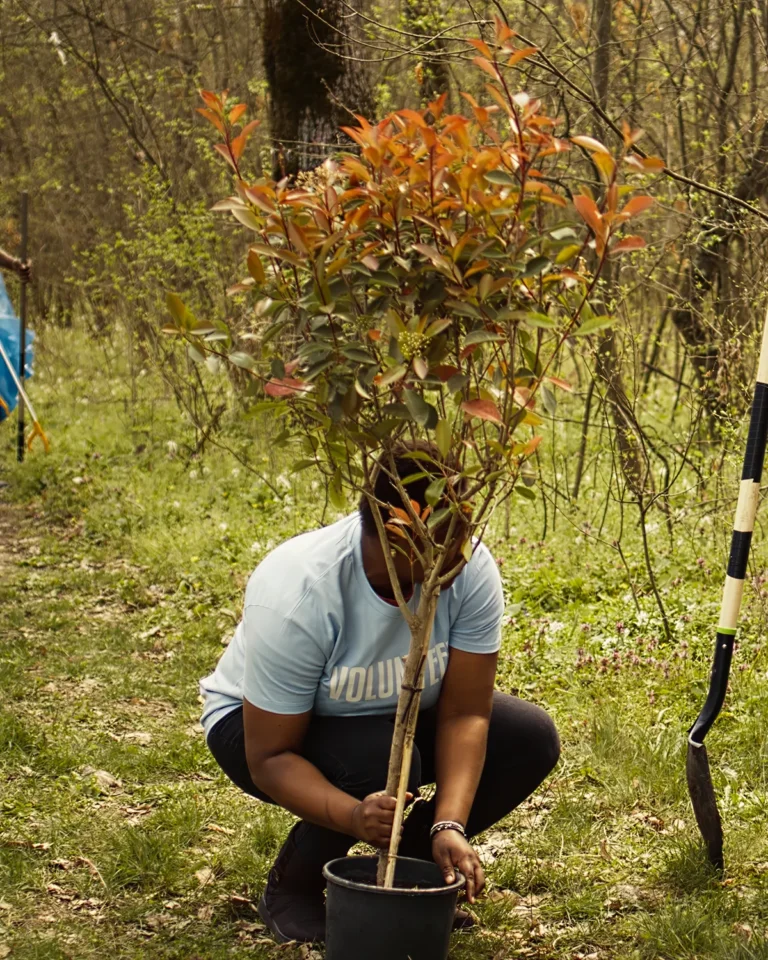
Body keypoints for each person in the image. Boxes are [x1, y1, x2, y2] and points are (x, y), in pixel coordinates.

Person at [199, 443, 560, 944]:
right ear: (398, 537)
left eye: (463, 533)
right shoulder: (300, 591)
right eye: (446, 540)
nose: (462, 553)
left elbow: (465, 714)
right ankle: (294, 887)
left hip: (393, 717)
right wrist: (353, 816)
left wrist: (448, 824)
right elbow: (270, 757)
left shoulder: (466, 566)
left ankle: (403, 875)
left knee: (528, 737)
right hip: (259, 727)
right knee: (383, 761)